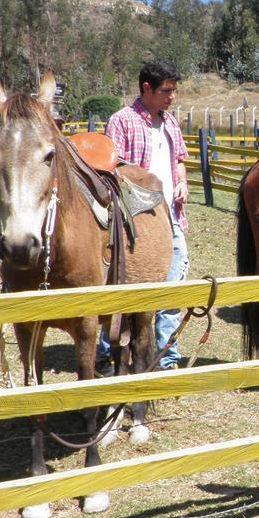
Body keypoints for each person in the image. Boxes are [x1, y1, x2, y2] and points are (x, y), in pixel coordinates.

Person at [98, 60, 190, 372]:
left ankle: (166, 357)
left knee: (172, 285)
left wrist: (182, 181)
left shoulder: (171, 123)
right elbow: (112, 170)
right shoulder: (121, 121)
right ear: (146, 88)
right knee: (120, 288)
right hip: (135, 221)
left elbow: (179, 160)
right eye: (167, 90)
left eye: (174, 90)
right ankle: (106, 353)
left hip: (170, 218)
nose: (172, 96)